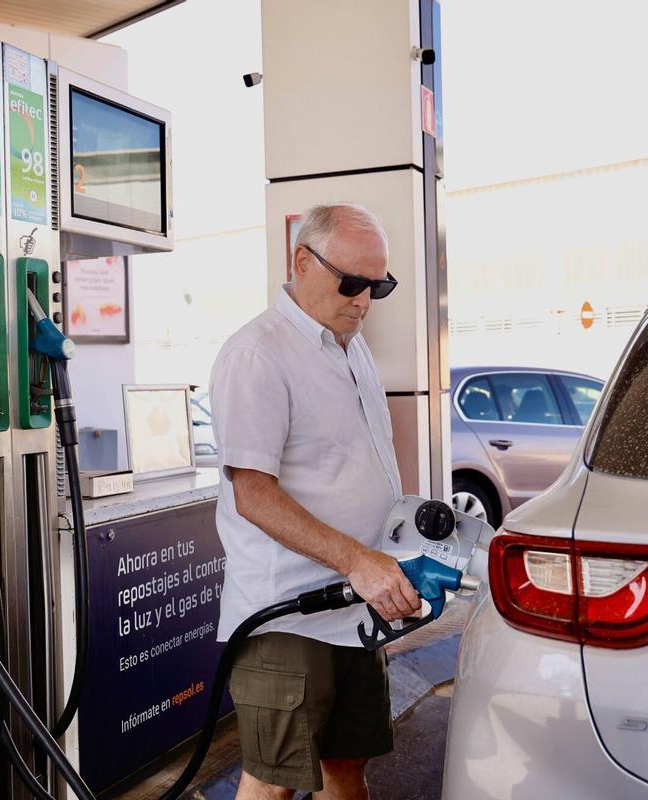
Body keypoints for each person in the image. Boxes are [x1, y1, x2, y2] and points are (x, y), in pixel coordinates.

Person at [209, 203, 421, 800]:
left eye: (378, 286)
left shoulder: (352, 347)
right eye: (351, 283)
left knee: (347, 764)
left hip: (355, 606)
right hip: (290, 614)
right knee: (273, 782)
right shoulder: (257, 354)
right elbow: (253, 495)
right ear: (302, 262)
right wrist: (357, 560)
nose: (365, 300)